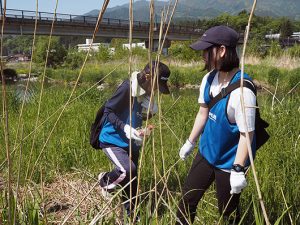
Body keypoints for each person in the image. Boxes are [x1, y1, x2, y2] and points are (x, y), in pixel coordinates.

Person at [176, 25, 257, 224]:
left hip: (230, 163)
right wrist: (190, 142)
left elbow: (247, 135)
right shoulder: (209, 78)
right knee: (187, 202)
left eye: (206, 50)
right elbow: (203, 113)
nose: (203, 55)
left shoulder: (243, 91)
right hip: (206, 153)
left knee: (227, 214)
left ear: (221, 50)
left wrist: (238, 169)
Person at [98, 61, 171, 220]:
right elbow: (109, 111)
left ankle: (130, 216)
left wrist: (149, 115)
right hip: (112, 139)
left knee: (132, 179)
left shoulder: (146, 92)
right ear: (148, 77)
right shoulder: (127, 87)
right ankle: (105, 180)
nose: (157, 90)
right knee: (128, 170)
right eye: (157, 85)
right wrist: (124, 128)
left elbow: (138, 116)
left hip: (131, 142)